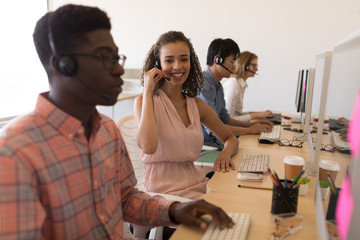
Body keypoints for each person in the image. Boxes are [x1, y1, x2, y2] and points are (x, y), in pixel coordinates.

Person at [0, 5, 234, 239]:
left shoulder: (107, 130)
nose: (119, 68)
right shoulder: (15, 152)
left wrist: (174, 209)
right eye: (104, 57)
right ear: (62, 64)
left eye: (116, 57)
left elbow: (124, 198)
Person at [134, 31, 239, 200]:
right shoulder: (144, 101)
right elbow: (148, 146)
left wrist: (225, 154)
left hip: (195, 185)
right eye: (169, 60)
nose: (177, 66)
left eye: (184, 59)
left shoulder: (195, 104)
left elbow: (230, 138)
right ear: (158, 64)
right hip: (162, 195)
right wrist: (148, 90)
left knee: (239, 202)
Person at [198, 38, 273, 149]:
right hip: (205, 148)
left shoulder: (217, 85)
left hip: (216, 143)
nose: (234, 67)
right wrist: (249, 130)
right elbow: (214, 130)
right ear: (217, 60)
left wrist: (252, 125)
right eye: (232, 62)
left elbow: (226, 119)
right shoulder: (203, 85)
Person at [223, 51, 273, 122]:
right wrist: (255, 115)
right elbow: (228, 119)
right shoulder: (233, 85)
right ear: (245, 66)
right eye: (254, 66)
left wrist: (260, 114)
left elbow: (237, 114)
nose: (257, 69)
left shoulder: (241, 84)